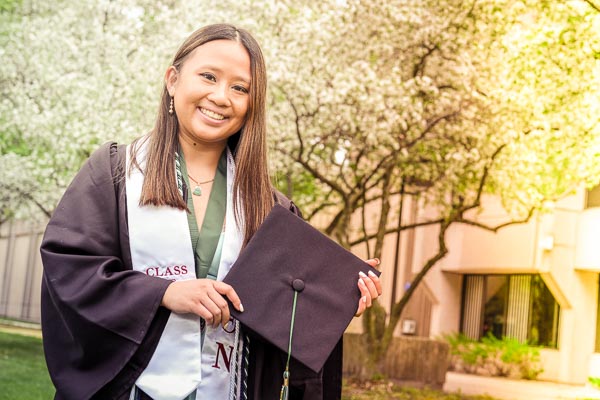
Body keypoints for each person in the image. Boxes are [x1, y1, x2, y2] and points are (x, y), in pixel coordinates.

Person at [40, 23, 382, 400]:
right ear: (173, 80)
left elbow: (278, 331)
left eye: (240, 88)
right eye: (208, 76)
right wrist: (164, 293)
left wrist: (332, 303)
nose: (221, 97)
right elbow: (71, 270)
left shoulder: (268, 207)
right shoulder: (115, 174)